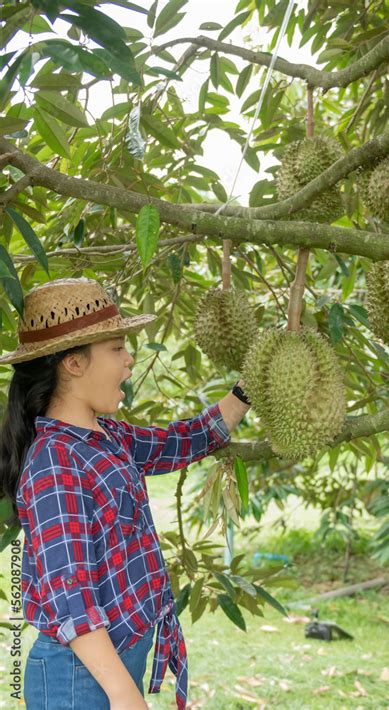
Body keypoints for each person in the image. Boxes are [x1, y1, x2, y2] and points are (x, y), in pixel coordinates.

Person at [0, 276, 252, 709]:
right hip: (80, 672)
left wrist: (248, 390)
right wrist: (122, 693)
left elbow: (180, 441)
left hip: (116, 655)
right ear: (74, 364)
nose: (130, 360)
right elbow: (70, 593)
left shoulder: (106, 436)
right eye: (117, 349)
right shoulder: (56, 461)